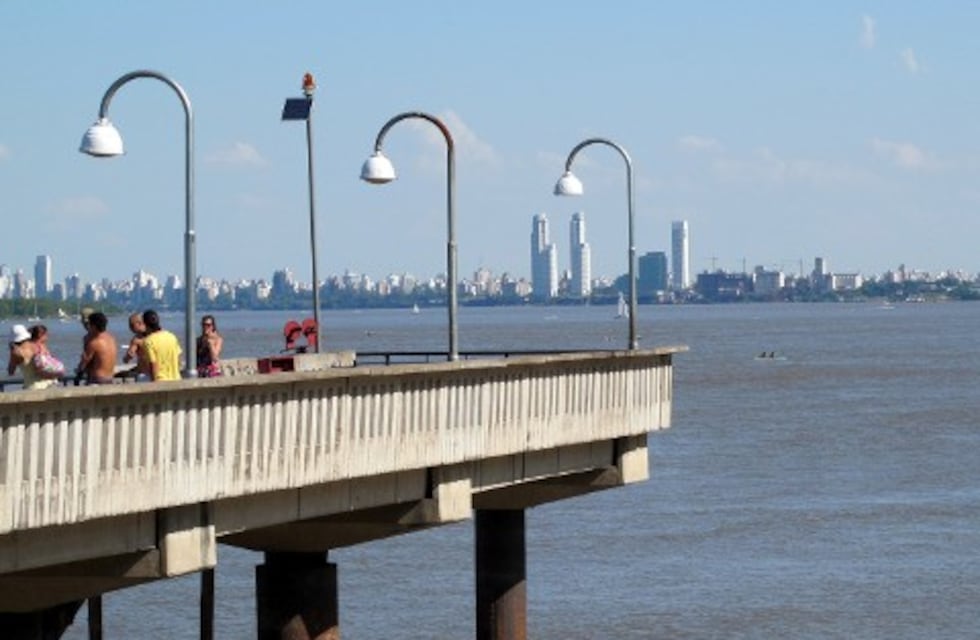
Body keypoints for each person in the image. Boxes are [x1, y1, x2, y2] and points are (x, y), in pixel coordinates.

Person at [6, 324, 58, 390]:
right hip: (51, 383)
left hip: (34, 387)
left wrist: (12, 351)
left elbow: (11, 372)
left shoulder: (17, 352)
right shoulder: (40, 345)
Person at [75, 312, 118, 385]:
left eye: (90, 324)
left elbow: (84, 362)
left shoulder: (95, 343)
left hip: (97, 379)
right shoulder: (112, 339)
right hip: (110, 378)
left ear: (94, 326)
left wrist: (78, 375)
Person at [141, 309, 182, 381]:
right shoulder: (171, 336)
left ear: (145, 324)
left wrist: (154, 384)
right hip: (176, 379)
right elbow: (178, 360)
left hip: (160, 381)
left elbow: (153, 364)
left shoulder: (148, 341)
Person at [123, 312, 150, 379]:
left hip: (144, 374)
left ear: (139, 323)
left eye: (132, 325)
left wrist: (127, 357)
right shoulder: (155, 334)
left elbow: (127, 358)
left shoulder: (136, 340)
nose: (130, 328)